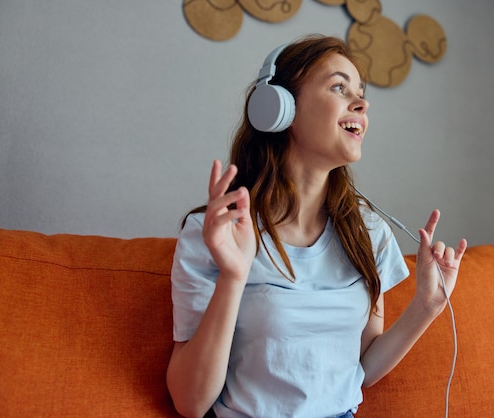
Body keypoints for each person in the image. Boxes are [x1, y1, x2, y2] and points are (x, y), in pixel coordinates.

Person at [166, 34, 468, 418]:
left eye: (360, 92)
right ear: (279, 108)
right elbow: (190, 403)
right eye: (339, 87)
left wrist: (427, 306)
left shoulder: (369, 233)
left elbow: (362, 370)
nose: (362, 103)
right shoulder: (214, 232)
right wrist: (233, 275)